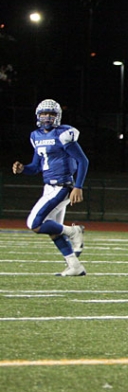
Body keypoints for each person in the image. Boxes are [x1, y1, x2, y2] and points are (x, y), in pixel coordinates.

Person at [11, 99, 89, 276]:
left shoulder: (63, 134)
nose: (47, 117)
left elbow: (83, 160)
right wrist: (23, 168)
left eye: (51, 114)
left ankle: (74, 231)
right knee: (53, 230)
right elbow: (36, 167)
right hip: (49, 187)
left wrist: (78, 186)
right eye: (44, 114)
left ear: (58, 116)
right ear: (38, 116)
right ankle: (75, 266)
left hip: (62, 186)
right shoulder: (36, 136)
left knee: (34, 223)